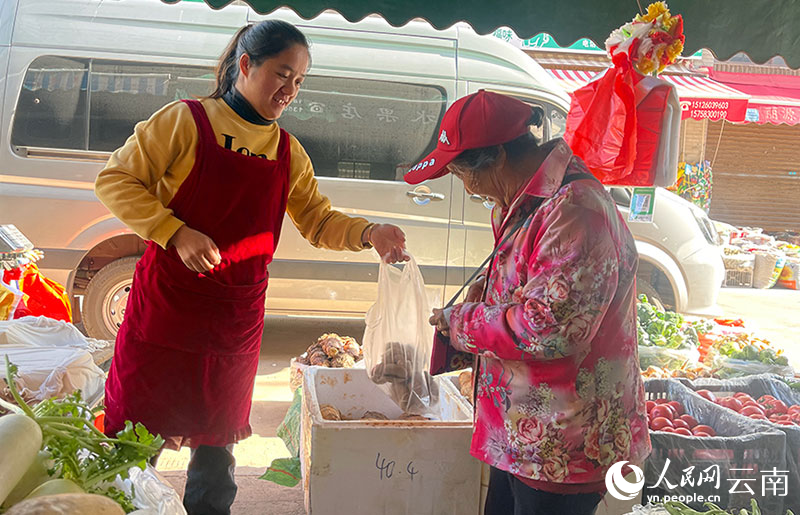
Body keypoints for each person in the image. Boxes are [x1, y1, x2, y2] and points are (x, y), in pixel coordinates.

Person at [95, 20, 407, 515]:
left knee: (217, 454)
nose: (290, 90)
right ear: (245, 65)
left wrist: (370, 233)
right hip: (166, 312)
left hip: (233, 322)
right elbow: (115, 179)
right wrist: (174, 231)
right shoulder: (185, 120)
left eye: (300, 81)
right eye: (282, 74)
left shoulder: (287, 151)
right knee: (135, 442)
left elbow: (317, 220)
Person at [407, 90, 651, 515]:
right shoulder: (527, 202)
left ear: (498, 156)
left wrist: (462, 322)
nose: (467, 188)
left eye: (464, 174)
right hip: (525, 435)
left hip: (563, 443)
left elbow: (549, 328)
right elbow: (531, 282)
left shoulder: (574, 210)